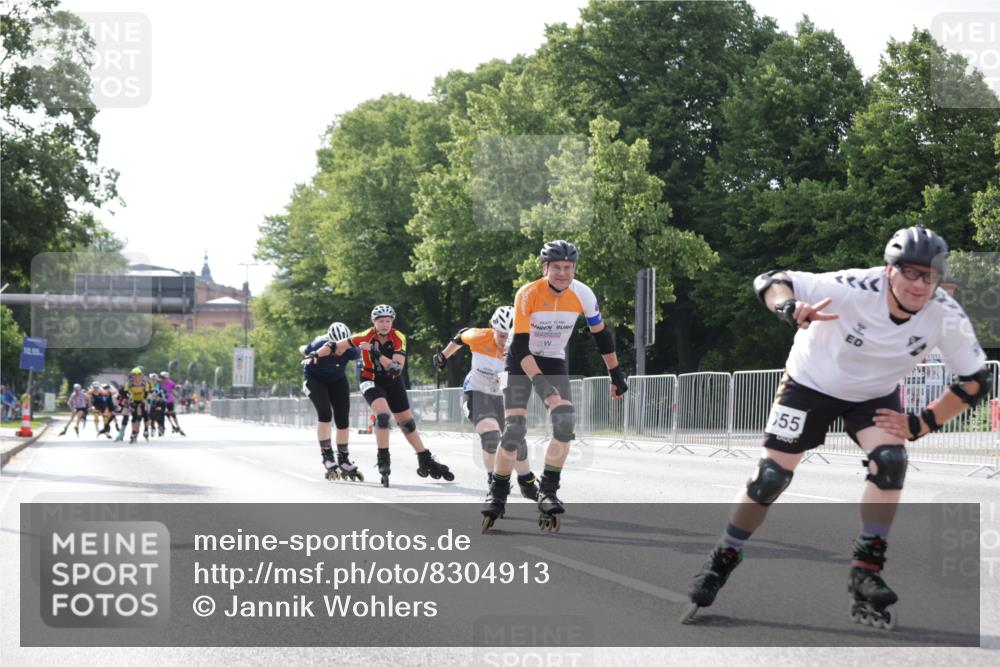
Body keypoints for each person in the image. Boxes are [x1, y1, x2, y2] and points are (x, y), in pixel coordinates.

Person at [681, 224, 992, 629]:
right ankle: (723, 556)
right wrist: (789, 308)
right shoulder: (852, 287)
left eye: (929, 275)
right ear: (888, 270)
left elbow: (975, 380)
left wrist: (921, 423)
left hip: (873, 396)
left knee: (891, 461)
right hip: (809, 384)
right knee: (770, 478)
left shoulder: (944, 313)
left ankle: (866, 567)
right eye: (910, 273)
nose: (919, 285)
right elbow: (772, 281)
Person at [483, 240, 628, 533]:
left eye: (569, 267)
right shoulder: (527, 294)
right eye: (557, 268)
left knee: (564, 422)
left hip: (553, 359)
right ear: (545, 267)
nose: (564, 273)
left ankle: (548, 490)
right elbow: (522, 349)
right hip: (520, 360)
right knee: (514, 430)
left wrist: (616, 374)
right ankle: (497, 493)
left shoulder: (583, 293)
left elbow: (602, 337)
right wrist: (543, 387)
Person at [311, 305, 454, 487]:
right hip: (370, 379)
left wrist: (375, 352)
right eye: (380, 321)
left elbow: (396, 367)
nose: (385, 324)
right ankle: (383, 458)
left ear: (392, 322)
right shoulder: (364, 335)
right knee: (384, 416)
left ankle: (424, 457)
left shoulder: (398, 337)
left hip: (393, 380)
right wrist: (315, 354)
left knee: (407, 423)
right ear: (374, 322)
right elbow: (334, 345)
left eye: (388, 321)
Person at [434, 306, 539, 503]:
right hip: (477, 391)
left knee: (515, 437)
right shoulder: (479, 337)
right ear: (492, 329)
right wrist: (442, 357)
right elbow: (461, 335)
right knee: (491, 436)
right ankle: (494, 482)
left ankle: (526, 480)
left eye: (511, 336)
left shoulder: (525, 345)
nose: (505, 341)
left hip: (505, 396)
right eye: (501, 336)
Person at [299, 322, 364, 481]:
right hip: (315, 379)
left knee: (343, 419)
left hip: (337, 380)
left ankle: (343, 458)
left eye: (343, 347)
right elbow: (303, 349)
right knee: (325, 414)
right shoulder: (319, 344)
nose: (341, 351)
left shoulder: (351, 350)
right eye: (337, 347)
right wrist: (306, 352)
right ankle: (327, 455)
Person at [123, 367, 150, 444]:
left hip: (143, 399)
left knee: (145, 414)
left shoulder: (145, 383)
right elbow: (125, 392)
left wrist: (144, 399)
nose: (135, 377)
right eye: (133, 375)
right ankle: (134, 432)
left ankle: (146, 430)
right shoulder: (129, 383)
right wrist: (128, 398)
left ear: (140, 375)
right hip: (134, 400)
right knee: (134, 417)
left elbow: (147, 392)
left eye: (137, 375)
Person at [158, 371, 186, 435]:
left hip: (169, 401)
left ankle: (178, 426)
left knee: (172, 414)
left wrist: (177, 386)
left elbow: (174, 386)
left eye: (166, 378)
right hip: (162, 401)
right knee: (165, 414)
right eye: (164, 378)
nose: (165, 380)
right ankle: (169, 426)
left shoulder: (170, 382)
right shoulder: (159, 383)